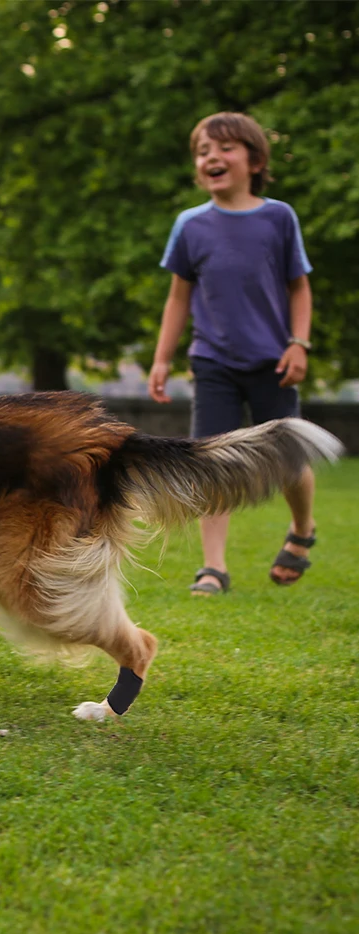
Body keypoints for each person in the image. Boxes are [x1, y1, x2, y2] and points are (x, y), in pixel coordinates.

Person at [148, 111, 316, 595]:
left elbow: (299, 288)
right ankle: (213, 568)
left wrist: (298, 343)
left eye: (224, 148)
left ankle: (302, 531)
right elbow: (179, 297)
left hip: (274, 361)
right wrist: (162, 358)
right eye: (202, 151)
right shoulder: (191, 225)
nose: (211, 158)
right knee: (212, 462)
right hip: (213, 361)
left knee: (289, 460)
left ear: (255, 159)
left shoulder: (278, 218)